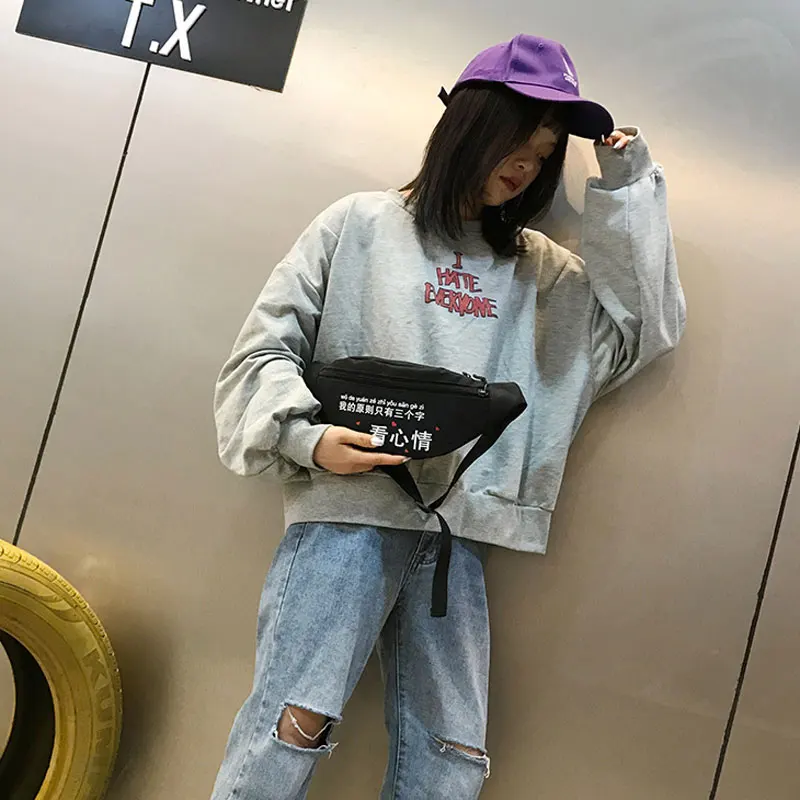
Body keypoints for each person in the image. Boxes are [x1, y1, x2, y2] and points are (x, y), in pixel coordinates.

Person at [209, 34, 686, 800]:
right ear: (468, 125)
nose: (527, 166)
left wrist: (626, 185)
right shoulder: (359, 225)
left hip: (457, 535)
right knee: (291, 725)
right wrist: (308, 439)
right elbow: (261, 353)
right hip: (351, 516)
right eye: (517, 142)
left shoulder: (543, 274)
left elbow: (645, 328)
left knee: (452, 757)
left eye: (544, 153)